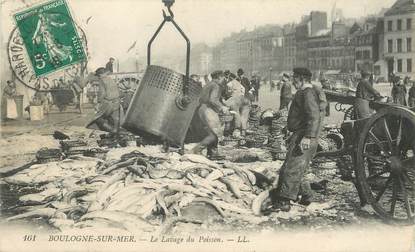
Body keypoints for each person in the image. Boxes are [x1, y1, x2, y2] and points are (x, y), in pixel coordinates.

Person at [270, 67, 326, 212]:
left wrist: (308, 137)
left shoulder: (306, 93)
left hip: (304, 136)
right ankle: (307, 196)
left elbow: (313, 116)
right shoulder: (305, 92)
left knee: (292, 169)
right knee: (295, 166)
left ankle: (284, 202)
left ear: (301, 78)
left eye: (295, 78)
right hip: (301, 134)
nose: (293, 80)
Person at [191, 70, 229, 159]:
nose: (224, 79)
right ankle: (196, 150)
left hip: (201, 109)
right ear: (219, 77)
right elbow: (213, 99)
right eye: (223, 77)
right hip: (207, 110)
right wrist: (222, 107)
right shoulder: (216, 85)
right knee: (214, 134)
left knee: (212, 133)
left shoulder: (209, 84)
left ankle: (212, 152)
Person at [86, 67, 122, 133]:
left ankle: (111, 130)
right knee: (111, 118)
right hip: (117, 102)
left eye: (98, 76)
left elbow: (102, 93)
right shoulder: (111, 79)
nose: (98, 77)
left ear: (100, 75)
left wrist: (98, 102)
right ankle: (114, 130)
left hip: (108, 103)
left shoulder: (102, 81)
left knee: (97, 119)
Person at [223, 72, 250, 138]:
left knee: (236, 115)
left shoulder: (229, 84)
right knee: (244, 116)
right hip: (244, 99)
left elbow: (227, 93)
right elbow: (243, 89)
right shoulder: (239, 83)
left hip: (234, 100)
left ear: (230, 77)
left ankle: (237, 130)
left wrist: (231, 96)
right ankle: (243, 131)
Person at [236, 68, 253, 136]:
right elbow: (249, 87)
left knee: (242, 115)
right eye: (240, 75)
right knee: (243, 115)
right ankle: (243, 130)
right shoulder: (243, 79)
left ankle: (242, 130)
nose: (240, 76)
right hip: (243, 99)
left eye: (241, 74)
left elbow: (249, 87)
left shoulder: (240, 79)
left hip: (242, 99)